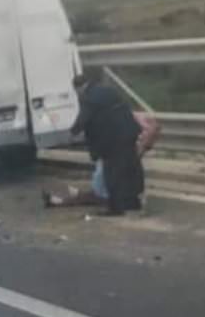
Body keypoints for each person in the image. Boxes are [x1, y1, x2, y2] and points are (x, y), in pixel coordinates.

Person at [60, 74, 143, 216]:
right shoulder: (107, 90)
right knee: (130, 169)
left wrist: (71, 133)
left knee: (112, 174)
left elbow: (83, 119)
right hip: (129, 133)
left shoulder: (89, 97)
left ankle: (116, 208)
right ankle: (133, 203)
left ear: (79, 88)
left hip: (113, 140)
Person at [44, 111, 160, 209]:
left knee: (95, 195)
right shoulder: (127, 150)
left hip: (119, 196)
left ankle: (60, 201)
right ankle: (70, 198)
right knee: (96, 190)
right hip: (123, 191)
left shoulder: (126, 153)